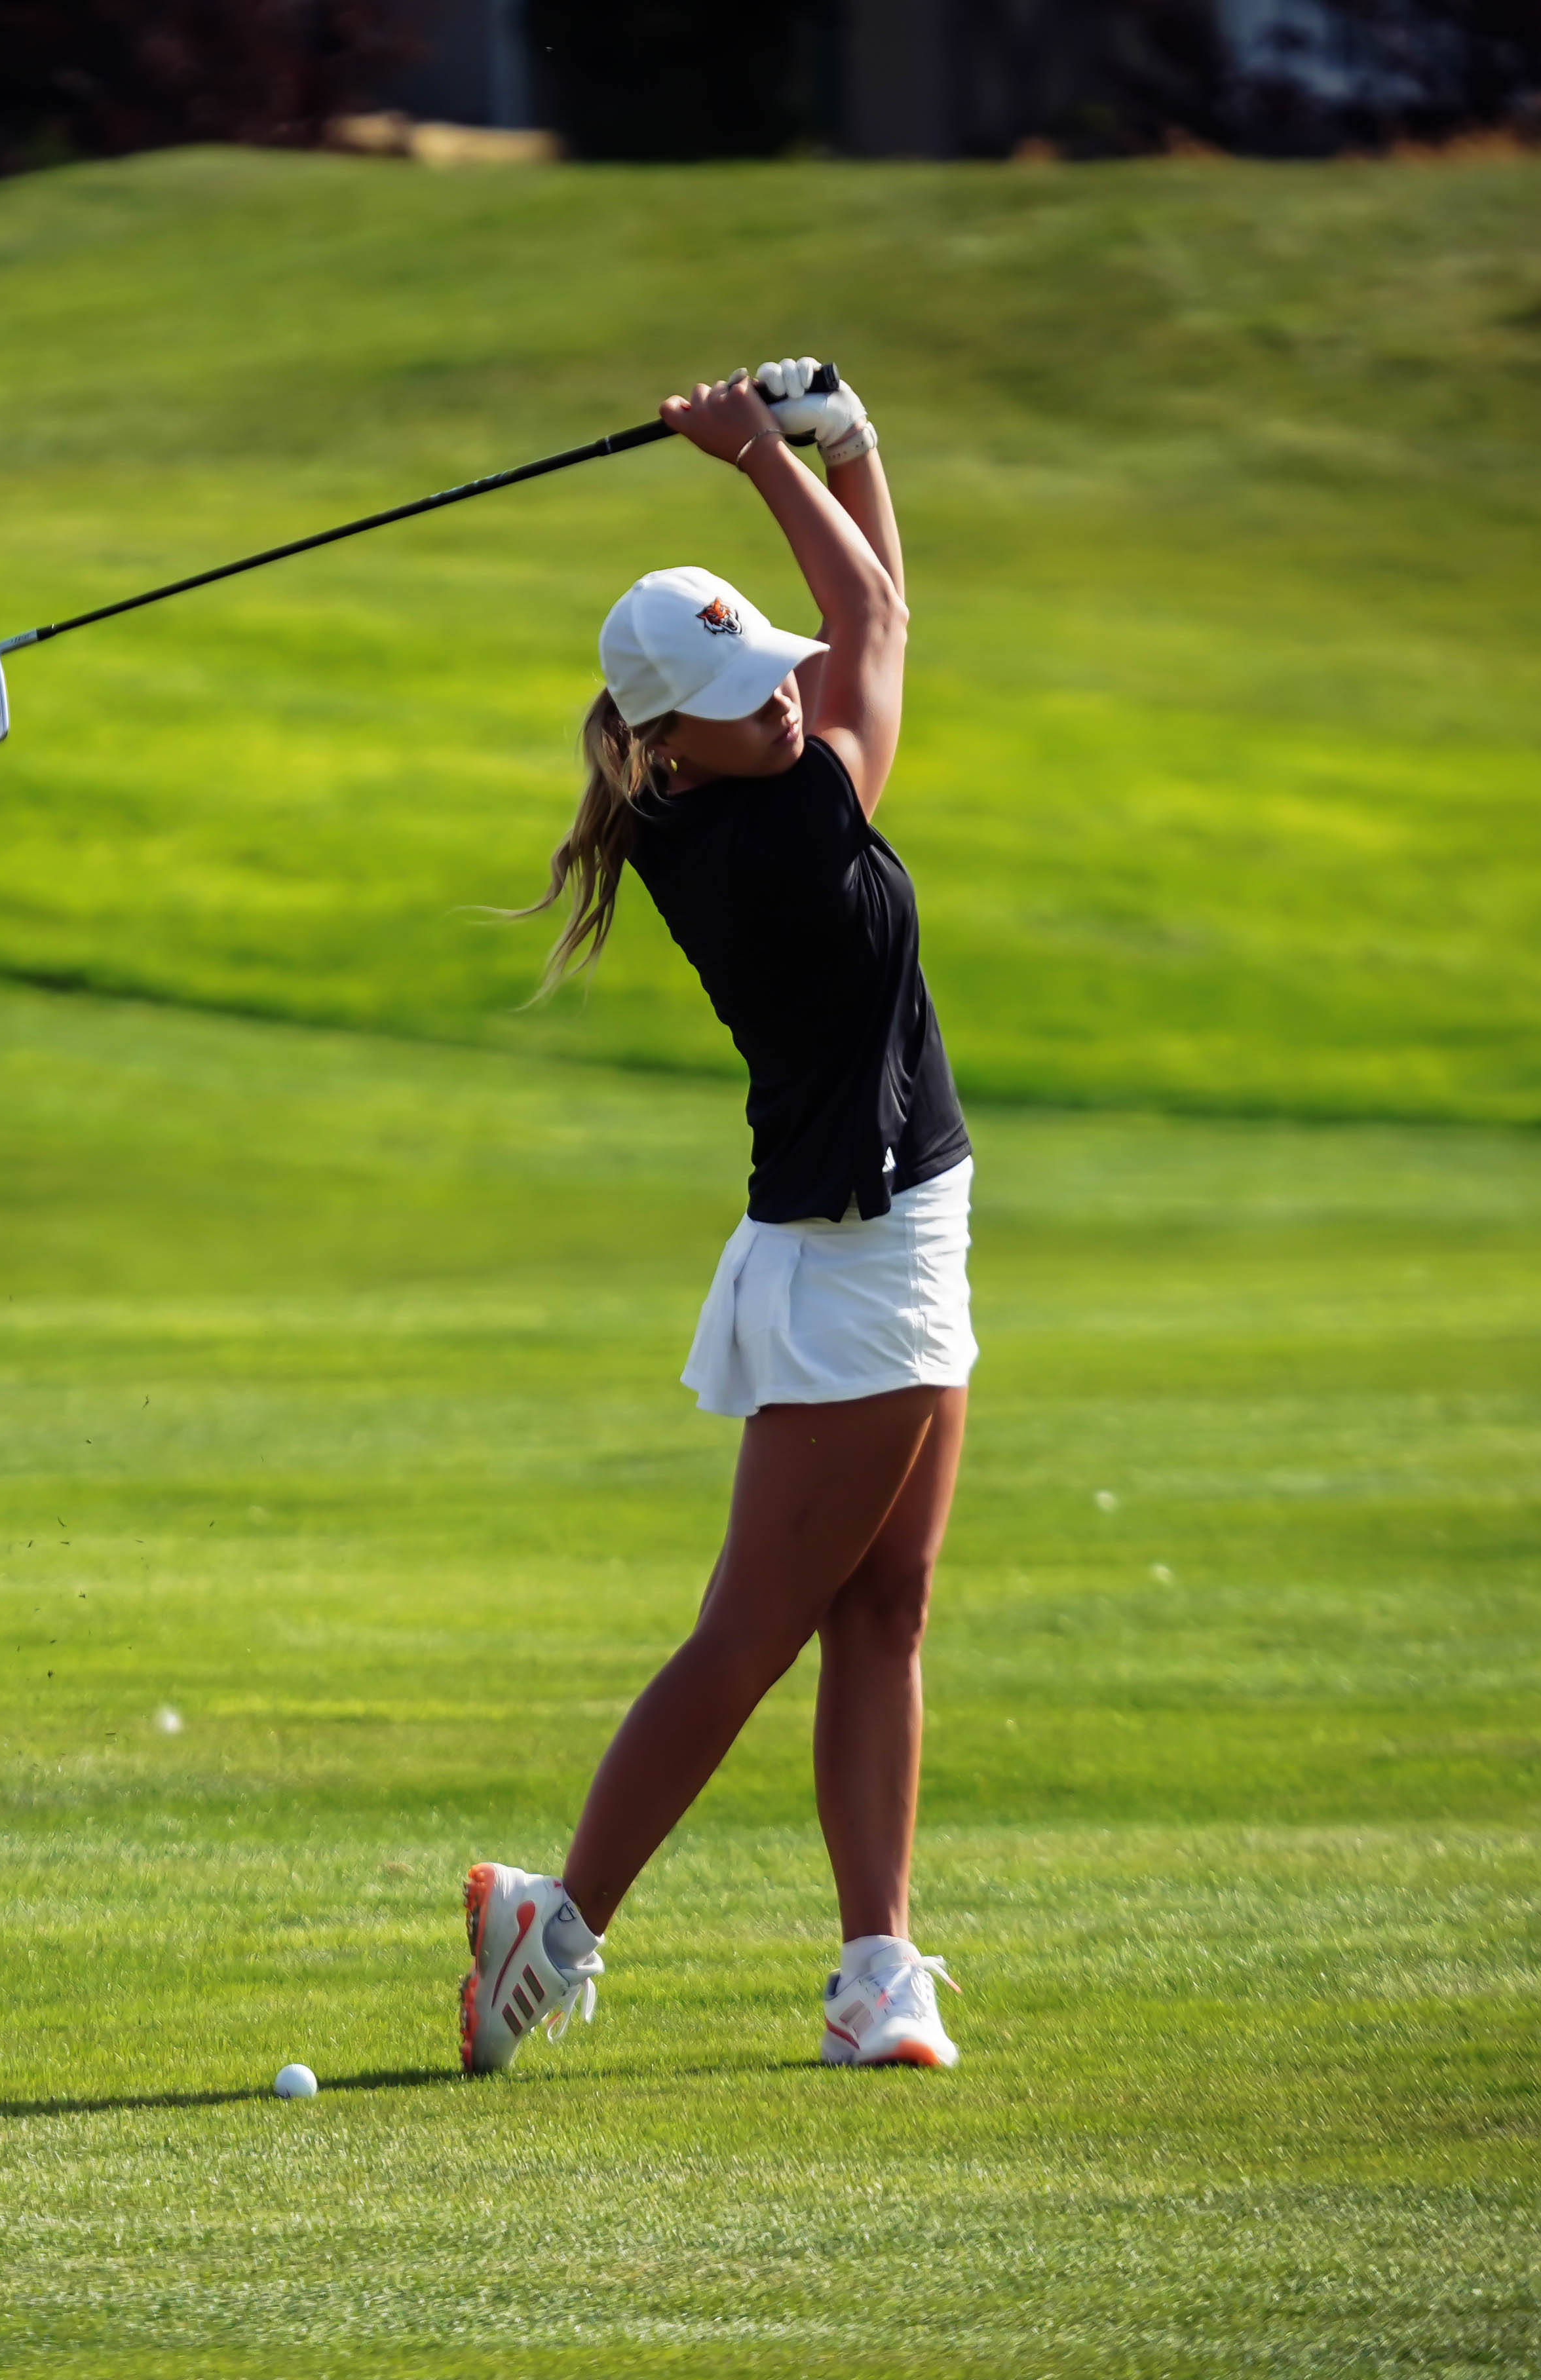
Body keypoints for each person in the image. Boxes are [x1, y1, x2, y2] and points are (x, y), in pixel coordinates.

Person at [459, 358, 974, 2077]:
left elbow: (848, 626)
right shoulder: (785, 825)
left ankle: (877, 1967)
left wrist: (838, 446)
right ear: (663, 735)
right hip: (851, 1262)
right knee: (753, 1634)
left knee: (883, 1612)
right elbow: (876, 622)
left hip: (889, 1227)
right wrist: (778, 452)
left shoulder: (708, 786)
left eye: (768, 682)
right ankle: (559, 1918)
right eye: (741, 693)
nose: (781, 699)